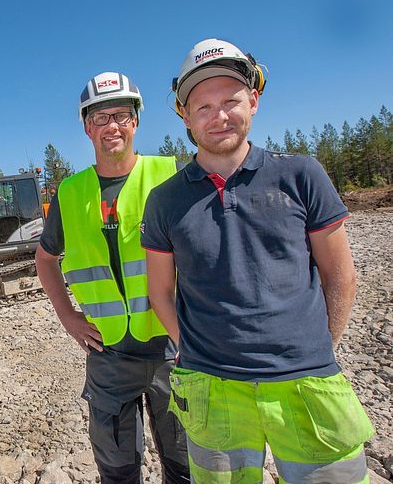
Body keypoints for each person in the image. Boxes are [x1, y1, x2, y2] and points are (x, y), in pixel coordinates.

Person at [141, 38, 374, 483]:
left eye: (230, 101)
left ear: (254, 101)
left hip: (307, 385)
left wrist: (322, 347)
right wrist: (187, 347)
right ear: (185, 117)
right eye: (203, 107)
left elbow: (340, 273)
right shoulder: (165, 200)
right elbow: (159, 291)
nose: (219, 116)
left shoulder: (301, 174)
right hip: (211, 387)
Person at [35, 72, 190, 484]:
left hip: (172, 350)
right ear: (87, 127)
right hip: (108, 356)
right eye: (100, 118)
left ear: (136, 121)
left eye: (121, 115)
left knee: (186, 464)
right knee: (118, 471)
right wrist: (68, 317)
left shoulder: (171, 176)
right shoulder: (70, 193)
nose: (112, 127)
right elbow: (45, 259)